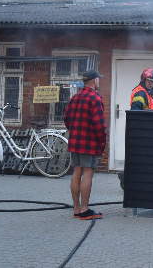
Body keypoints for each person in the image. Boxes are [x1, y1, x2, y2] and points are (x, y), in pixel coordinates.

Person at [63, 70, 107, 220]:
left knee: (77, 172)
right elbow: (99, 125)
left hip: (75, 142)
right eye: (98, 79)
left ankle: (76, 208)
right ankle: (84, 209)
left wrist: (75, 132)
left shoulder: (75, 97)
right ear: (94, 81)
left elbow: (67, 119)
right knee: (88, 173)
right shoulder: (95, 98)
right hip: (89, 143)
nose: (99, 82)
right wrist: (102, 141)